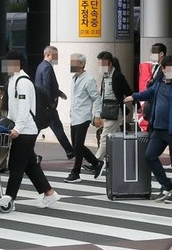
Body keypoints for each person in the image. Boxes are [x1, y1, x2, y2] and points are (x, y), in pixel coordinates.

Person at [0, 51, 61, 210]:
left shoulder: (23, 82)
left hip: (26, 131)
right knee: (30, 164)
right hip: (20, 129)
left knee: (16, 165)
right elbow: (13, 108)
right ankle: (49, 193)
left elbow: (24, 109)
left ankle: (9, 199)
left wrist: (17, 128)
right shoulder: (13, 80)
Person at [124, 56, 172, 203]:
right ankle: (167, 185)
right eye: (169, 68)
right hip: (158, 128)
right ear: (164, 69)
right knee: (150, 156)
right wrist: (133, 96)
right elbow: (148, 93)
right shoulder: (159, 84)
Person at [63, 53, 104, 183]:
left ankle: (76, 172)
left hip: (84, 116)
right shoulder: (74, 78)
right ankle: (97, 163)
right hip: (75, 116)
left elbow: (97, 98)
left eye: (73, 62)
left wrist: (97, 115)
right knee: (76, 146)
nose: (71, 64)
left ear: (81, 64)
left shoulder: (88, 80)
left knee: (78, 145)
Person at [35, 46, 75, 159]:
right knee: (57, 128)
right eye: (55, 55)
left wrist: (59, 93)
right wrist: (51, 102)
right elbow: (47, 86)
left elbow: (47, 85)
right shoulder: (47, 68)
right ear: (48, 54)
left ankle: (70, 151)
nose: (56, 58)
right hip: (48, 106)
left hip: (42, 105)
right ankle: (70, 151)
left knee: (40, 128)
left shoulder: (41, 66)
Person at [94, 52, 133, 161]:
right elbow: (102, 95)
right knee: (114, 137)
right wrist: (99, 113)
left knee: (104, 137)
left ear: (110, 63)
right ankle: (118, 159)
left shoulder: (117, 76)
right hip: (106, 110)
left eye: (103, 64)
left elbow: (128, 91)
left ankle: (97, 161)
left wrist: (137, 106)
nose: (100, 67)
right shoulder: (105, 76)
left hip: (115, 110)